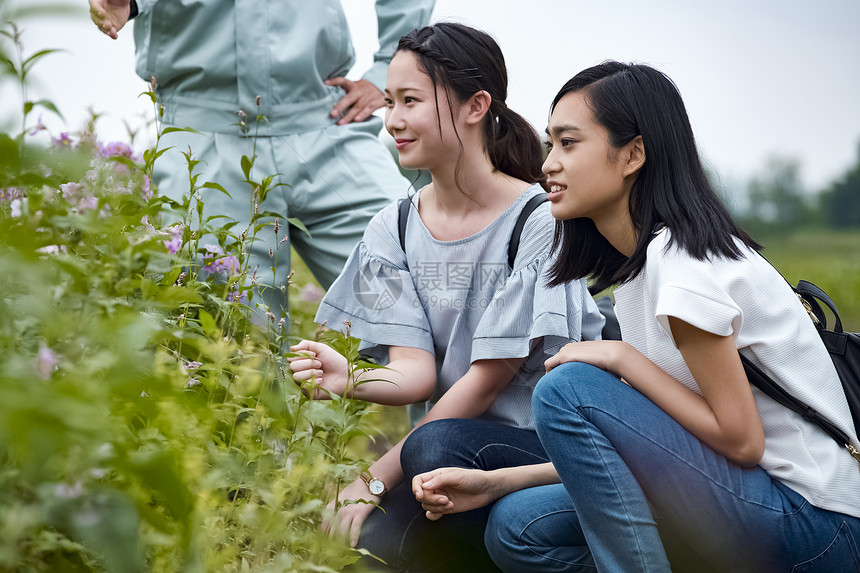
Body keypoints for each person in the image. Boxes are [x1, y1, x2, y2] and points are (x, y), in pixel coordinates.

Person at [410, 61, 860, 572]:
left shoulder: (684, 267)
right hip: (750, 501)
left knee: (567, 389)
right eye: (549, 143)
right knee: (518, 524)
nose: (547, 165)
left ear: (632, 155)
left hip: (816, 523)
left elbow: (741, 440)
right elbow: (655, 446)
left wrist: (622, 358)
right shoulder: (644, 271)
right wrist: (500, 481)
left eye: (568, 143)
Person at [287, 23, 605, 571]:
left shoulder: (537, 220)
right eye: (389, 102)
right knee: (371, 549)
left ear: (475, 106)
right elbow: (417, 372)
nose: (392, 121)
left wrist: (372, 477)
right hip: (452, 445)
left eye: (410, 101)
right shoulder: (396, 225)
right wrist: (352, 378)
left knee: (427, 451)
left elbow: (487, 379)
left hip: (544, 445)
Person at [89, 0, 434, 317]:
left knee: (426, 289)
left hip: (327, 123)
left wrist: (387, 70)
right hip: (204, 143)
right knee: (229, 348)